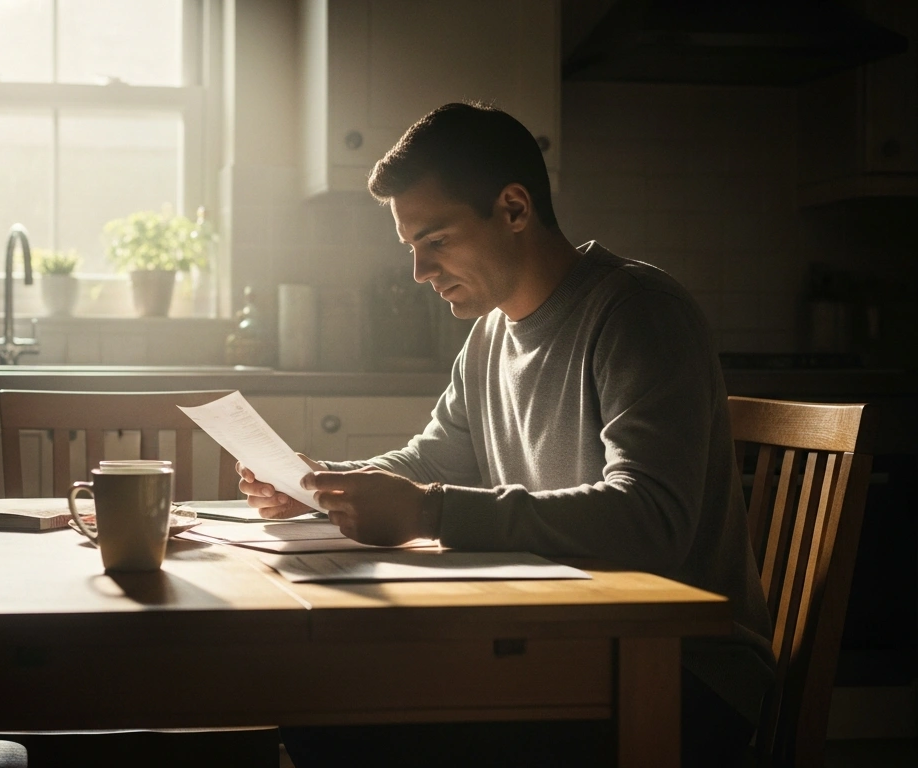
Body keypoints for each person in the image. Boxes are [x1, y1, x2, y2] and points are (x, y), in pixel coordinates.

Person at [239, 102, 774, 767]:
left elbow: (652, 519)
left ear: (514, 208)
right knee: (321, 702)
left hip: (681, 671)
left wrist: (430, 509)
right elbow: (432, 456)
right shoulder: (490, 335)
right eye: (412, 248)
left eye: (435, 241)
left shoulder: (637, 313)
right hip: (568, 645)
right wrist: (320, 484)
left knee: (339, 721)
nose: (419, 272)